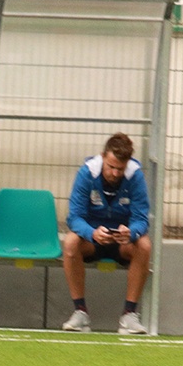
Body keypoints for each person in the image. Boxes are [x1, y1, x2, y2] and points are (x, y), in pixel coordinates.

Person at [61, 132, 151, 335]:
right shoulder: (86, 173)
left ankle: (129, 315)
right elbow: (74, 218)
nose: (115, 173)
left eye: (120, 168)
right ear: (102, 157)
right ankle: (80, 312)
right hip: (92, 240)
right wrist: (92, 233)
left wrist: (131, 233)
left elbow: (141, 219)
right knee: (70, 242)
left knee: (144, 245)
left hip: (123, 243)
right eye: (111, 167)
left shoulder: (135, 176)